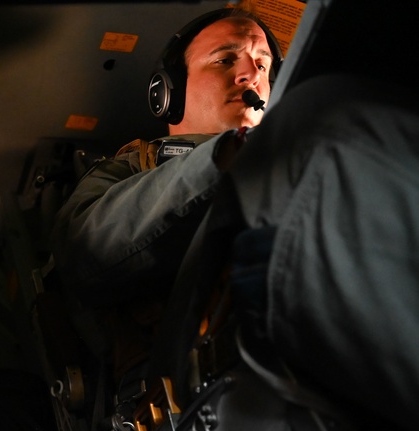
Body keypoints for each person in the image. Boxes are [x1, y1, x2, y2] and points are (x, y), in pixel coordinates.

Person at [50, 7, 282, 380]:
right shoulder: (128, 171)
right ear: (167, 93)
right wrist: (221, 159)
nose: (252, 74)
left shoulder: (291, 163)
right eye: (225, 59)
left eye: (263, 64)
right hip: (198, 389)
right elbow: (85, 253)